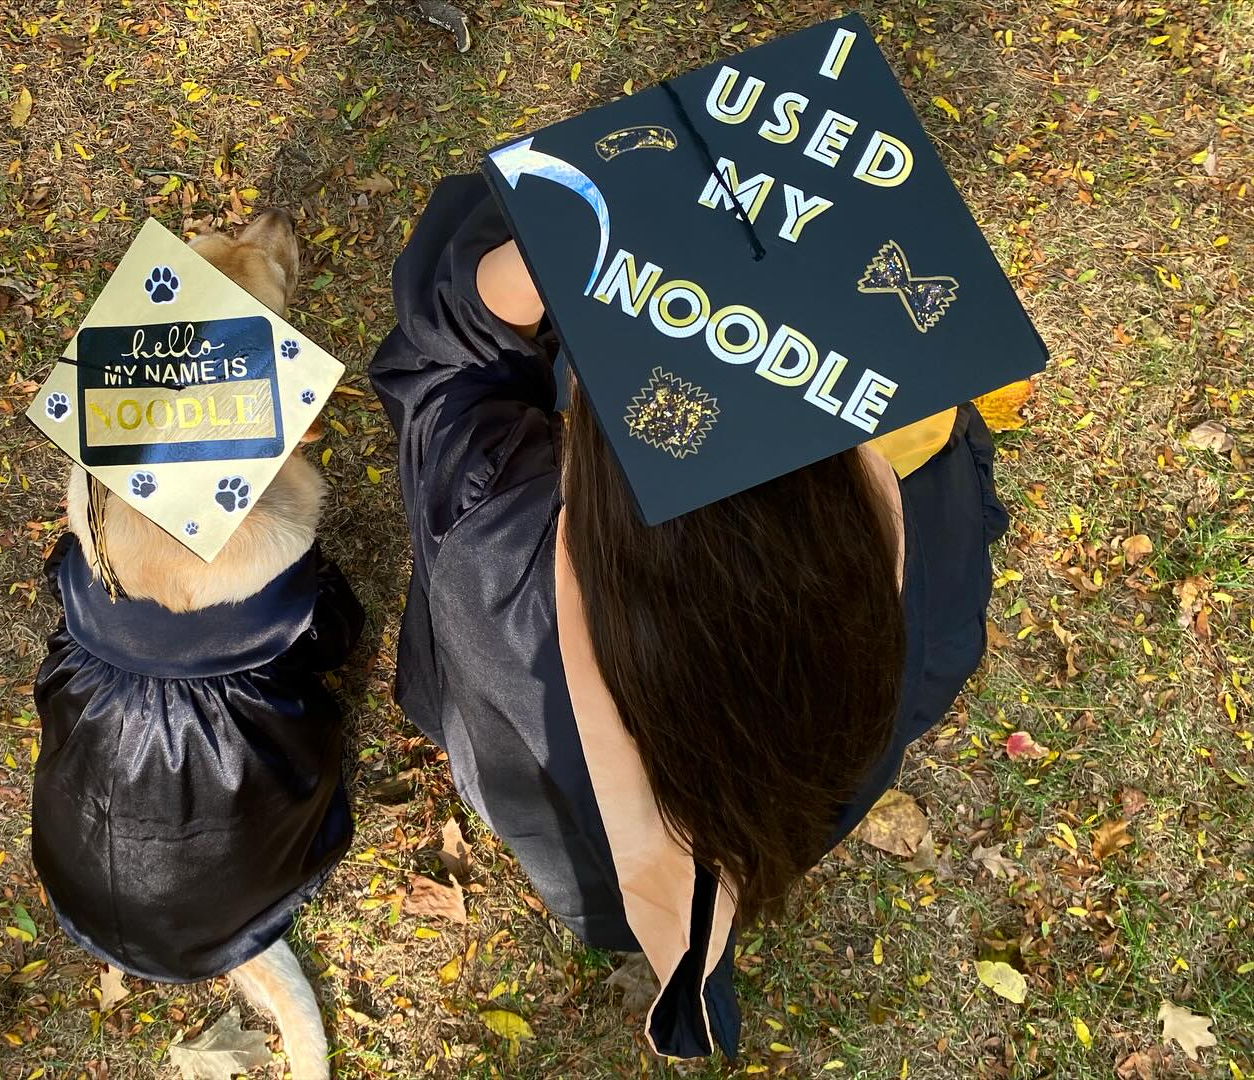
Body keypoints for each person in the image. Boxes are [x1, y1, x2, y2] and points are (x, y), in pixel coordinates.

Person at [368, 174, 1009, 1060]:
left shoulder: (499, 545)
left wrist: (533, 265)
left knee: (581, 870)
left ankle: (602, 914)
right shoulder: (920, 541)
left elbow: (444, 367)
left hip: (547, 792)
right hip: (789, 803)